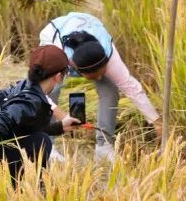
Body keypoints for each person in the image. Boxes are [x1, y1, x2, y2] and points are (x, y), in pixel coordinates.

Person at [39, 12, 162, 162]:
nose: (98, 78)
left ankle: (104, 147)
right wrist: (62, 116)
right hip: (56, 32)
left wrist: (155, 121)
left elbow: (132, 88)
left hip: (90, 26)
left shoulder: (109, 55)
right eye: (92, 76)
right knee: (51, 90)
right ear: (76, 69)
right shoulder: (55, 56)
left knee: (109, 90)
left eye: (101, 72)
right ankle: (47, 146)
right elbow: (39, 93)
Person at [0, 45, 83, 183]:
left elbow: (21, 126)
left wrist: (59, 127)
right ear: (58, 77)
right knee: (41, 142)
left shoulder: (23, 86)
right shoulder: (31, 103)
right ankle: (19, 187)